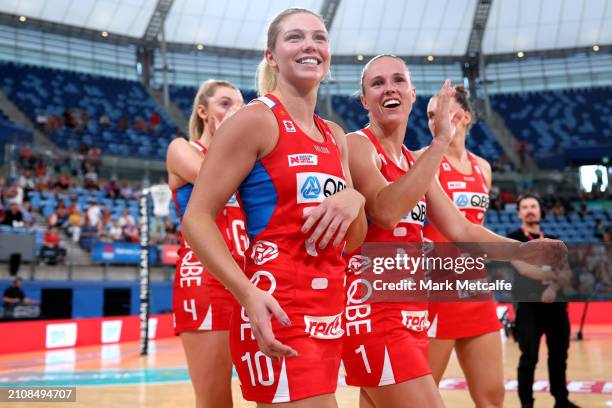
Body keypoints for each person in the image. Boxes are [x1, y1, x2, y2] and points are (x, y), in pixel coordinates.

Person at [341, 54, 567, 408]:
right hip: (376, 311)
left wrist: (520, 251)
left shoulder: (418, 162)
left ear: (412, 93)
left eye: (398, 80)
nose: (389, 88)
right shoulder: (359, 145)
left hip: (414, 310)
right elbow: (385, 211)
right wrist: (441, 142)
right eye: (377, 83)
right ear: (364, 99)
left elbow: (462, 227)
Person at [182, 8, 367, 406]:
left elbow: (354, 239)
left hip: (329, 310)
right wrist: (247, 293)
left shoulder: (335, 135)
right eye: (295, 38)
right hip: (276, 306)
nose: (310, 46)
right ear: (271, 55)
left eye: (319, 37)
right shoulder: (254, 121)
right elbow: (196, 219)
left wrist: (356, 198)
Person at [166, 79, 249, 408]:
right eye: (225, 104)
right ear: (203, 112)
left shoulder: (247, 161)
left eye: (241, 105)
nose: (235, 111)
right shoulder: (181, 149)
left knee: (274, 389)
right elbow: (213, 178)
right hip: (205, 278)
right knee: (215, 399)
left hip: (252, 277)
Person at [423, 85, 504, 407]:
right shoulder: (421, 161)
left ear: (465, 117)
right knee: (422, 399)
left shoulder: (483, 168)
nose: (434, 120)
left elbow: (475, 229)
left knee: (493, 396)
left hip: (477, 289)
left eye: (441, 111)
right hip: (437, 293)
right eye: (430, 114)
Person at [507, 194, 579, 408]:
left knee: (559, 355)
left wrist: (554, 287)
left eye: (534, 206)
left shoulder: (555, 240)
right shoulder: (513, 239)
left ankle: (561, 400)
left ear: (540, 210)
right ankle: (527, 404)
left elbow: (567, 274)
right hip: (528, 306)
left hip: (556, 306)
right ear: (519, 212)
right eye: (525, 207)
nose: (530, 210)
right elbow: (524, 269)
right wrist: (554, 277)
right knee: (529, 358)